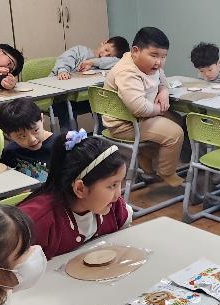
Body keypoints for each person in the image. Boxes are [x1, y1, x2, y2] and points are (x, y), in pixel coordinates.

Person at [20, 130, 131, 258]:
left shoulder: (112, 205)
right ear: (80, 189)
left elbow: (126, 242)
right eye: (112, 185)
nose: (118, 195)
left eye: (120, 183)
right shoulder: (35, 222)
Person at [103, 26, 184, 188]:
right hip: (125, 125)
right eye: (154, 55)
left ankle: (145, 156)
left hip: (141, 118)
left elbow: (162, 79)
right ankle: (166, 172)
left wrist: (164, 91)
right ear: (135, 51)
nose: (159, 62)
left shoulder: (150, 66)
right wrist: (160, 109)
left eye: (163, 57)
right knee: (175, 133)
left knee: (178, 120)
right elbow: (139, 109)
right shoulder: (127, 73)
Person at [51, 37, 129, 127]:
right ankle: (71, 136)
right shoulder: (80, 51)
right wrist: (62, 70)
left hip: (80, 99)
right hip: (58, 98)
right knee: (67, 109)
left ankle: (102, 134)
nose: (104, 55)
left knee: (100, 103)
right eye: (106, 49)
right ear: (103, 43)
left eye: (109, 56)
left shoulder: (102, 63)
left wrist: (92, 62)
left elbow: (119, 62)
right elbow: (64, 59)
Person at [0, 99, 54, 182]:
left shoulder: (62, 147)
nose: (32, 140)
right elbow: (6, 179)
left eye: (36, 130)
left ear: (41, 118)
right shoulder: (10, 151)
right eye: (22, 136)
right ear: (8, 135)